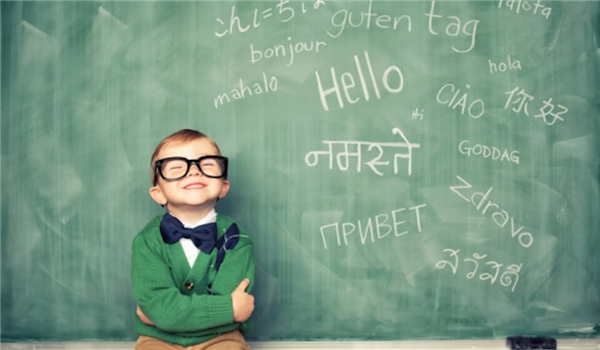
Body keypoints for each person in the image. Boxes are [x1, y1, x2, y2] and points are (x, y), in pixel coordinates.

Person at [131, 129, 255, 350]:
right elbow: (232, 309)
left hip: (222, 338)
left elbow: (161, 312)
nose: (194, 172)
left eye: (207, 165)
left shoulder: (238, 241)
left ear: (223, 186)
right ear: (158, 193)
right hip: (158, 338)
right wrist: (228, 310)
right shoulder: (147, 241)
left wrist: (161, 315)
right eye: (177, 168)